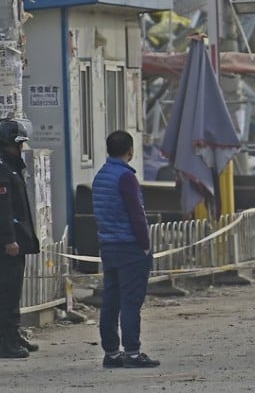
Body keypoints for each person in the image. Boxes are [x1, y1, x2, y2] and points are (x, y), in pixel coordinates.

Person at [92, 130, 159, 368]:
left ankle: (111, 352)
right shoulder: (126, 177)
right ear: (130, 151)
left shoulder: (100, 176)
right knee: (131, 302)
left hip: (108, 245)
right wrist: (145, 244)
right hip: (129, 246)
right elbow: (137, 214)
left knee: (110, 300)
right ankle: (132, 352)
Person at [0, 120, 38, 359]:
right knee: (7, 293)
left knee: (14, 292)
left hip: (16, 240)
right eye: (18, 144)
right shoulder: (3, 168)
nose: (22, 149)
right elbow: (3, 208)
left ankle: (13, 335)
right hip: (8, 244)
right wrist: (9, 239)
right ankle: (7, 341)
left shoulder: (11, 166)